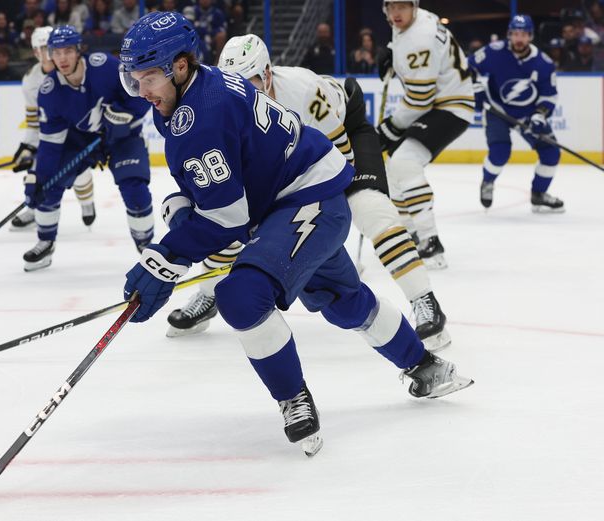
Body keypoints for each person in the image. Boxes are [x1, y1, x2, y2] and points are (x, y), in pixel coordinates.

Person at [119, 12, 473, 455]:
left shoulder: (199, 118)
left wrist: (164, 259)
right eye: (134, 80)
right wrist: (185, 209)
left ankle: (294, 398)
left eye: (148, 77)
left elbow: (228, 221)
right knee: (344, 302)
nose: (142, 91)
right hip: (294, 198)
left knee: (241, 296)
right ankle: (425, 366)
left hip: (310, 199)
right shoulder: (202, 92)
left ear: (181, 66)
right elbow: (230, 187)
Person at [188, 34, 450, 351]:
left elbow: (338, 162)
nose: (242, 93)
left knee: (370, 208)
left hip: (345, 136)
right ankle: (207, 293)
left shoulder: (301, 91)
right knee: (238, 217)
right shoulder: (226, 104)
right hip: (299, 156)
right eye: (234, 84)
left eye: (251, 82)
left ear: (268, 75)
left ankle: (424, 300)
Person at [22, 25, 155, 271]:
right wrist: (39, 178)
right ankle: (45, 243)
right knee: (48, 187)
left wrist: (125, 114)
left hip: (122, 137)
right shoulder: (49, 92)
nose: (61, 58)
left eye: (67, 51)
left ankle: (146, 246)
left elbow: (141, 92)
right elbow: (51, 145)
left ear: (79, 51)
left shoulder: (104, 66)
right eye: (56, 52)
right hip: (81, 141)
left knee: (134, 188)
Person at [376, 1, 474, 269]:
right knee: (393, 165)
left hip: (450, 105)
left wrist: (390, 127)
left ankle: (430, 241)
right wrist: (391, 52)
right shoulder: (416, 22)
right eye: (391, 7)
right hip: (438, 102)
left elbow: (420, 98)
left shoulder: (419, 37)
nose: (396, 13)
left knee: (404, 162)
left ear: (414, 7)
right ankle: (409, 234)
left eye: (403, 7)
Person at [467, 14, 564, 213]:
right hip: (497, 110)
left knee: (551, 153)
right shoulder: (495, 52)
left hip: (528, 114)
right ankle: (488, 181)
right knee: (500, 152)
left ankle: (538, 194)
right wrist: (476, 88)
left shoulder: (543, 63)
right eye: (515, 34)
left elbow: (549, 96)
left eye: (524, 34)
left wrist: (540, 114)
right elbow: (468, 66)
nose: (519, 38)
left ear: (531, 36)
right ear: (509, 34)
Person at [10, 25, 97, 232]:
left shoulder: (72, 69)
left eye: (47, 47)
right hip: (51, 134)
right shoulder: (31, 82)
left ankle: (87, 203)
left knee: (79, 172)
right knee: (36, 172)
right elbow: (33, 121)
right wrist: (28, 146)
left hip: (77, 131)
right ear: (35, 52)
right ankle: (33, 208)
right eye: (40, 48)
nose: (46, 53)